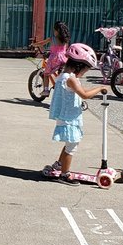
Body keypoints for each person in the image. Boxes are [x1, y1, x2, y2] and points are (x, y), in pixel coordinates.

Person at [43, 44, 108, 185]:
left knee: (69, 143)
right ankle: (65, 174)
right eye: (85, 70)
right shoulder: (70, 78)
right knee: (72, 146)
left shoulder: (63, 75)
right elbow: (84, 94)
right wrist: (100, 88)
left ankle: (59, 165)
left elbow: (74, 93)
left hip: (67, 116)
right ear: (79, 66)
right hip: (69, 118)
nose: (84, 73)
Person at [30, 21, 70, 95]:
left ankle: (46, 90)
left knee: (46, 73)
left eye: (54, 30)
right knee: (61, 72)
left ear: (57, 31)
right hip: (64, 58)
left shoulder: (53, 38)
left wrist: (34, 44)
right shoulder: (66, 40)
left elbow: (42, 43)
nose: (53, 32)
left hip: (55, 58)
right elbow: (64, 49)